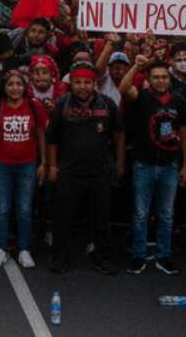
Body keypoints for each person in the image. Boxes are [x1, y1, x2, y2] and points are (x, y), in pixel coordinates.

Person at [46, 61, 124, 275]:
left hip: (99, 172)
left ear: (94, 84)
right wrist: (52, 166)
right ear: (71, 83)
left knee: (101, 219)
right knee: (63, 218)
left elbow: (118, 136)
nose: (82, 86)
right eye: (78, 82)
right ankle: (60, 258)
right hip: (68, 173)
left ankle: (104, 258)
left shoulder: (107, 104)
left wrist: (119, 162)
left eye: (87, 82)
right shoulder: (62, 105)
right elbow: (51, 139)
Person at [120, 56, 186, 275]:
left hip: (170, 165)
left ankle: (164, 255)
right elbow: (124, 88)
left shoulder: (178, 101)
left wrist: (185, 165)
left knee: (166, 214)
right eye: (155, 77)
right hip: (144, 165)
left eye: (163, 77)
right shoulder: (141, 97)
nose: (160, 81)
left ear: (169, 79)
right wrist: (137, 66)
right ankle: (138, 254)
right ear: (148, 80)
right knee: (140, 213)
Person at [0, 71, 46, 269]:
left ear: (24, 87)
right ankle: (0, 249)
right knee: (2, 208)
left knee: (24, 209)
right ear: (4, 87)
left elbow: (41, 135)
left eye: (19, 84)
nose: (14, 88)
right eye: (10, 84)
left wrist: (44, 162)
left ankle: (24, 249)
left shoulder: (34, 106)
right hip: (1, 164)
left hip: (27, 164)